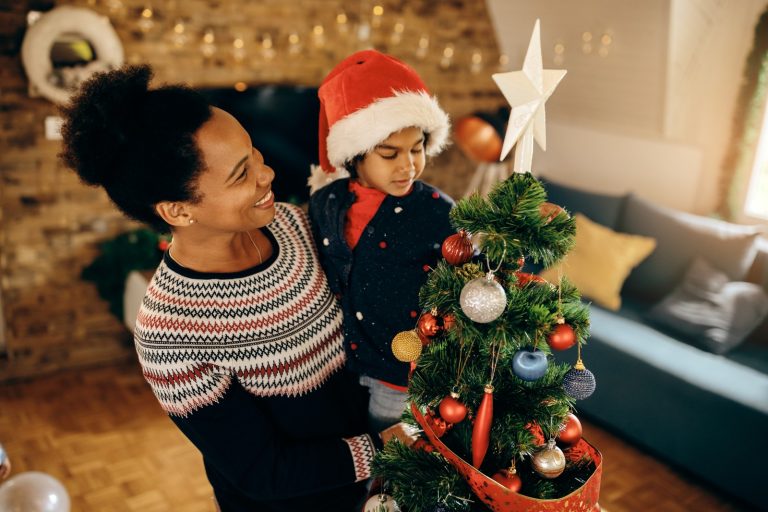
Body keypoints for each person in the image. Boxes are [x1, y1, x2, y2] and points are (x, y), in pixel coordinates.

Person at [60, 65, 385, 512]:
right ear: (178, 210)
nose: (266, 173)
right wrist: (385, 448)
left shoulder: (295, 225)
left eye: (254, 152)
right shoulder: (169, 334)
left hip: (382, 487)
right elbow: (263, 471)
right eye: (239, 175)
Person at [308, 50, 456, 433]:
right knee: (348, 444)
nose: (407, 165)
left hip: (400, 372)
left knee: (390, 456)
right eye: (389, 154)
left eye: (417, 149)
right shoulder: (327, 202)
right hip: (339, 362)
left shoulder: (439, 212)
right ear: (355, 156)